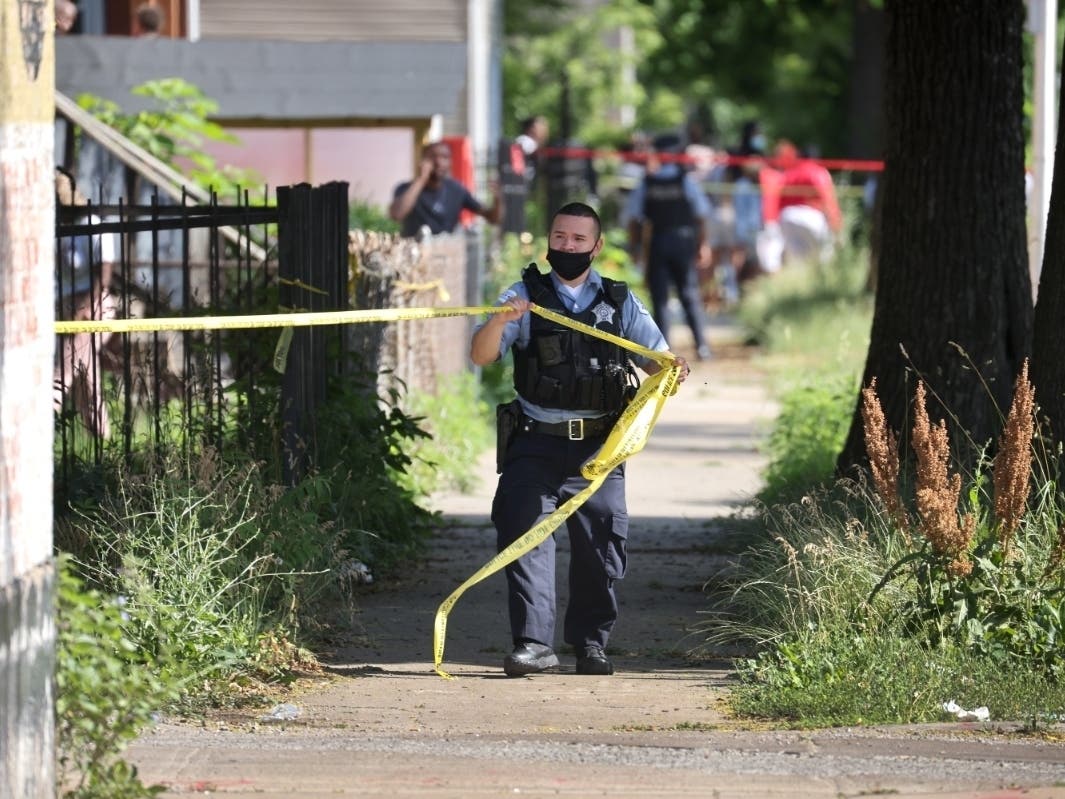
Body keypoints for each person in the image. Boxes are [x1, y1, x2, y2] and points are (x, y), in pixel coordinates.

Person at [470, 201, 691, 677]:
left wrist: (671, 367)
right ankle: (532, 644)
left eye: (577, 239)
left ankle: (591, 644)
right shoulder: (522, 295)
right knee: (525, 534)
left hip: (598, 450)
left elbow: (655, 357)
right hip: (536, 442)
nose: (567, 246)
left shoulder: (618, 300)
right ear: (548, 239)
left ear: (596, 245)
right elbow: (482, 355)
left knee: (601, 548)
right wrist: (500, 321)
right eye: (559, 237)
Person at [622, 133, 713, 361]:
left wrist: (634, 248)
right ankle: (702, 346)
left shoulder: (647, 183)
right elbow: (701, 216)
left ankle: (664, 350)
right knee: (689, 293)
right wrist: (703, 244)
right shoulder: (686, 181)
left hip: (657, 243)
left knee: (660, 297)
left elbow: (633, 219)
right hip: (683, 242)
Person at [54, 169, 117, 438]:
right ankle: (102, 441)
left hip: (94, 308)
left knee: (63, 371)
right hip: (66, 308)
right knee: (87, 382)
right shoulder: (58, 229)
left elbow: (103, 276)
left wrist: (87, 309)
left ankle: (42, 416)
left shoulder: (93, 225)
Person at [389, 140, 502, 238]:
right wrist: (421, 179)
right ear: (423, 160)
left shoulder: (457, 190)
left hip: (444, 255)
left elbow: (493, 218)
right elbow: (397, 214)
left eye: (444, 157)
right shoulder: (406, 188)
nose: (438, 162)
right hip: (414, 254)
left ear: (450, 162)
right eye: (433, 157)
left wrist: (498, 199)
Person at [760, 140, 842, 268]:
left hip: (787, 217)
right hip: (812, 218)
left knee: (797, 261)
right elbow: (828, 199)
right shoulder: (819, 172)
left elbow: (777, 199)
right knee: (822, 257)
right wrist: (836, 225)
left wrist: (772, 222)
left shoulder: (788, 174)